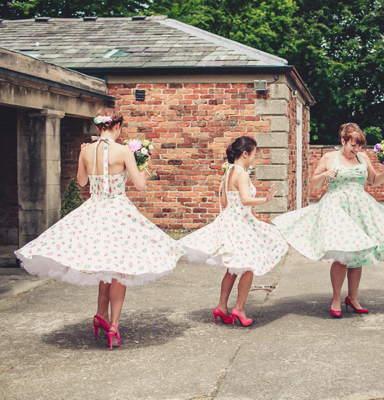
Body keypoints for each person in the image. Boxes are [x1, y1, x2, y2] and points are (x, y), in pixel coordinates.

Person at [15, 108, 184, 350]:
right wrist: (143, 166)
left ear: (98, 128)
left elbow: (82, 182)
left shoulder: (85, 150)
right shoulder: (123, 151)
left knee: (105, 267)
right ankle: (114, 323)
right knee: (120, 268)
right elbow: (140, 185)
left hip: (94, 209)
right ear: (117, 127)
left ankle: (100, 315)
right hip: (117, 211)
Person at [272, 123, 384, 318]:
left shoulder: (362, 158)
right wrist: (324, 174)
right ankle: (336, 297)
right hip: (337, 208)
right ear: (343, 141)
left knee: (358, 254)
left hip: (360, 208)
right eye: (352, 145)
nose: (356, 150)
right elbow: (314, 183)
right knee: (342, 255)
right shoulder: (329, 157)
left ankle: (353, 298)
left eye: (359, 146)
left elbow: (373, 180)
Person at [179, 136, 288, 327]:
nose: (254, 158)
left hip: (229, 221)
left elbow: (223, 202)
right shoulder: (242, 173)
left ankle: (222, 306)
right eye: (254, 154)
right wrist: (265, 200)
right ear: (245, 153)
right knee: (248, 268)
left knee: (233, 268)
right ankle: (239, 308)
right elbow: (245, 200)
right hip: (241, 224)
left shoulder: (228, 171)